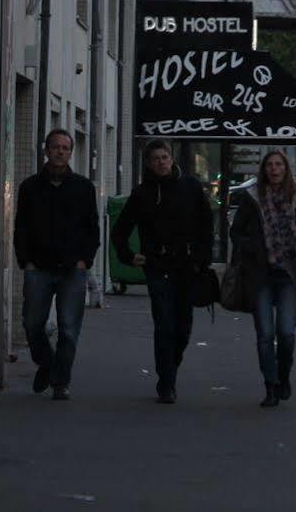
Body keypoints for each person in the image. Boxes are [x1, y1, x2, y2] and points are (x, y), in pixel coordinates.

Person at [111, 140, 213, 403]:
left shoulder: (190, 187)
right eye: (155, 158)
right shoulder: (142, 193)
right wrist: (130, 257)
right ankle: (166, 382)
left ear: (172, 158)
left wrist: (203, 259)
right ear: (148, 163)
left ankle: (171, 364)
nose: (161, 162)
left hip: (187, 266)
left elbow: (206, 223)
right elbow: (120, 230)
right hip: (157, 267)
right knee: (164, 324)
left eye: (164, 157)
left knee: (183, 326)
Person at [14, 129, 100, 400]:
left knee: (69, 328)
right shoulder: (30, 187)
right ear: (46, 150)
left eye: (65, 148)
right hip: (38, 267)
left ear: (71, 153)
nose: (60, 152)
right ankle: (47, 362)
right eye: (55, 147)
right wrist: (25, 260)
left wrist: (85, 260)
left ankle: (60, 381)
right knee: (32, 323)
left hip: (72, 268)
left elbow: (92, 228)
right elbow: (22, 227)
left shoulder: (83, 188)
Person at [229, 149, 296, 407]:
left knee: (286, 332)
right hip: (261, 274)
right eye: (270, 165)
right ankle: (271, 385)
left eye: (278, 165)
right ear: (264, 170)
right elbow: (236, 232)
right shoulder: (252, 196)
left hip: (289, 273)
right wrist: (253, 247)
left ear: (286, 168)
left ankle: (284, 375)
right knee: (265, 334)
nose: (274, 169)